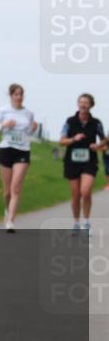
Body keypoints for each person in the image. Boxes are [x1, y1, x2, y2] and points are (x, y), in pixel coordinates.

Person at [0, 83, 37, 232]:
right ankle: (7, 211)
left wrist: (33, 129)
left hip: (22, 150)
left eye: (21, 94)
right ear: (11, 96)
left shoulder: (29, 113)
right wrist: (5, 124)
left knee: (16, 188)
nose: (19, 97)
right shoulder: (3, 110)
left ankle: (11, 221)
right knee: (7, 191)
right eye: (16, 94)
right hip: (6, 149)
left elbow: (28, 134)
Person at [58, 93, 107, 235]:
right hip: (72, 161)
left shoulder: (96, 122)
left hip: (89, 161)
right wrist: (73, 138)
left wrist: (97, 146)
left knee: (85, 192)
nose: (83, 104)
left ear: (91, 105)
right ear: (78, 104)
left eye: (86, 102)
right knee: (75, 195)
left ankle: (86, 222)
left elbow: (104, 140)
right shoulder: (70, 121)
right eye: (81, 102)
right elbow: (62, 140)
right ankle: (76, 223)